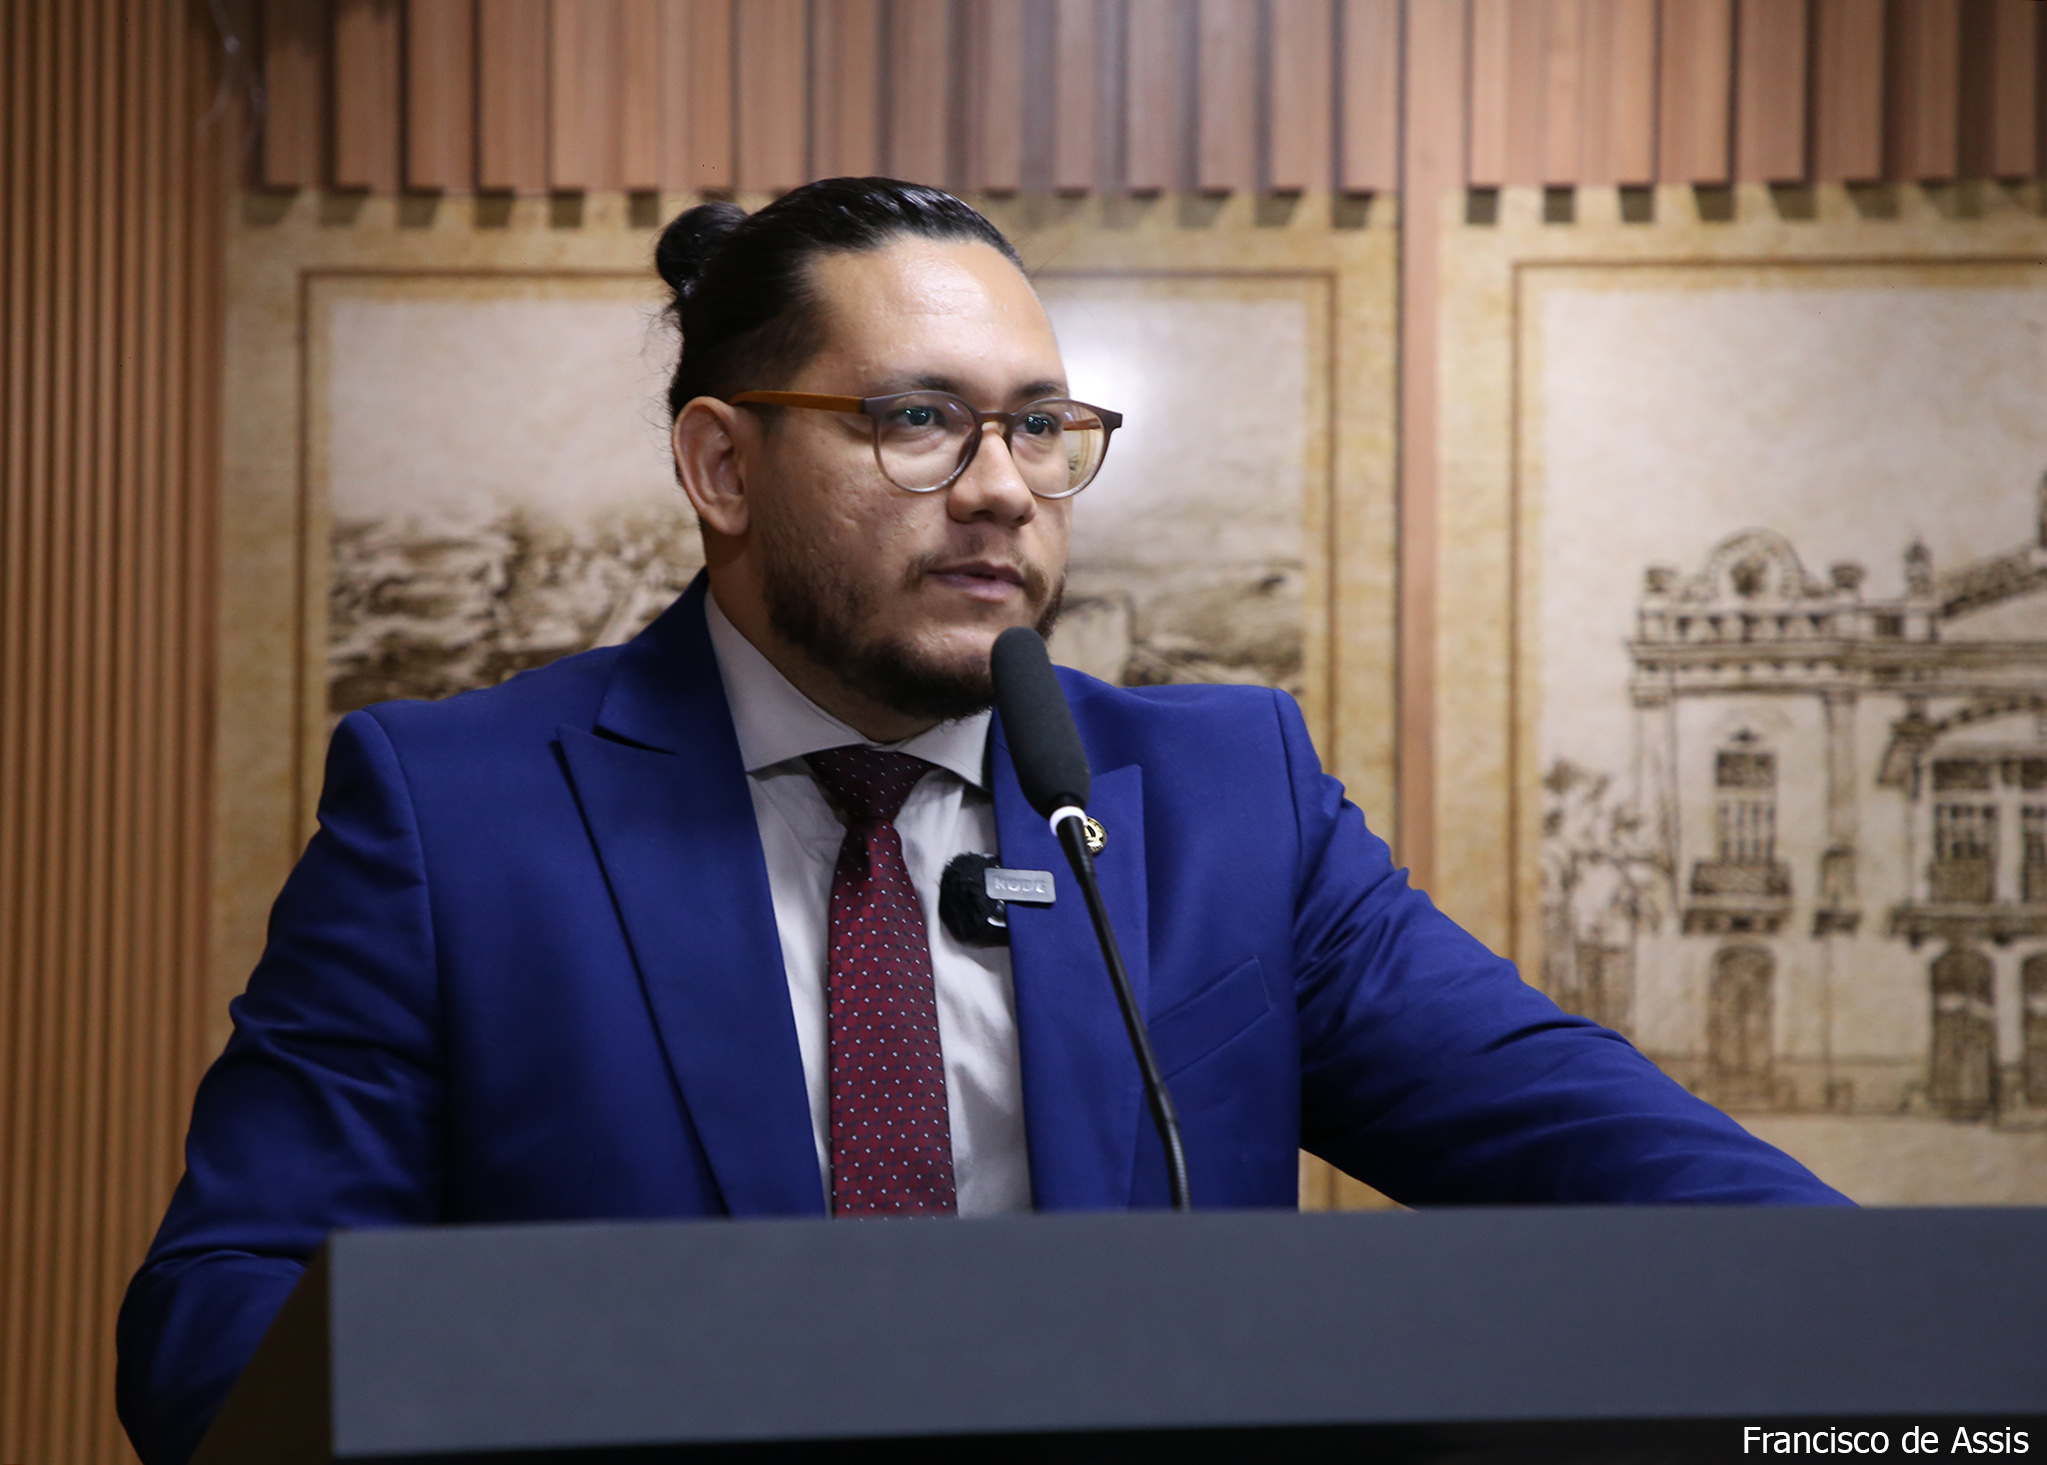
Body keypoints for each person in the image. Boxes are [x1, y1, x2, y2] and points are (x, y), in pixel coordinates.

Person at [117, 177, 1846, 1465]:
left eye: (1040, 427)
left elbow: (1590, 1137)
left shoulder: (1227, 799)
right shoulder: (455, 815)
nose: (1005, 487)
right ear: (721, 467)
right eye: (920, 422)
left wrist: (1895, 1324)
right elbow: (216, 1324)